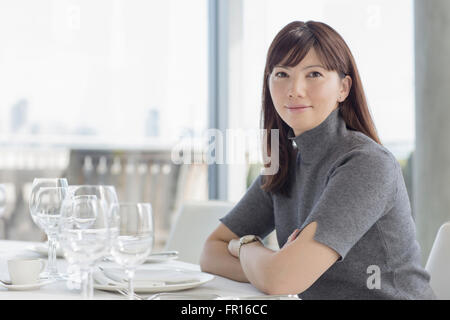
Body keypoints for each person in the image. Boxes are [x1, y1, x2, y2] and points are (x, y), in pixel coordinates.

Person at [199, 20, 436, 300]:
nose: (295, 89)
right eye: (282, 74)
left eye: (313, 74)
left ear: (343, 88)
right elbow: (211, 251)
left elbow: (281, 279)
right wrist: (271, 266)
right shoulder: (284, 165)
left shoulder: (366, 163)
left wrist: (246, 246)